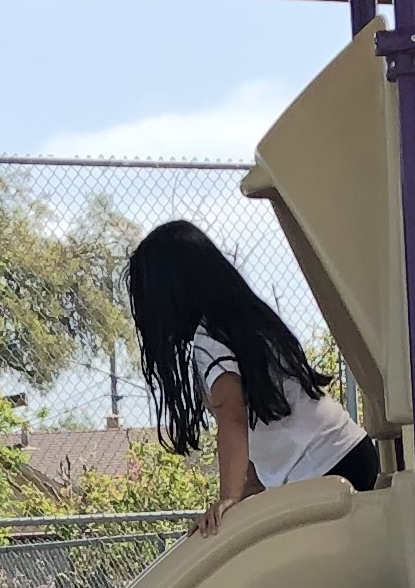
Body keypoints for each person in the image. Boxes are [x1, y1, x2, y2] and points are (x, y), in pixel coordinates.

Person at [127, 219, 378, 531]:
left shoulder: (210, 341)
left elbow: (232, 418)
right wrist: (246, 493)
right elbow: (257, 425)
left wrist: (228, 498)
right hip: (349, 452)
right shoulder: (247, 321)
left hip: (319, 468)